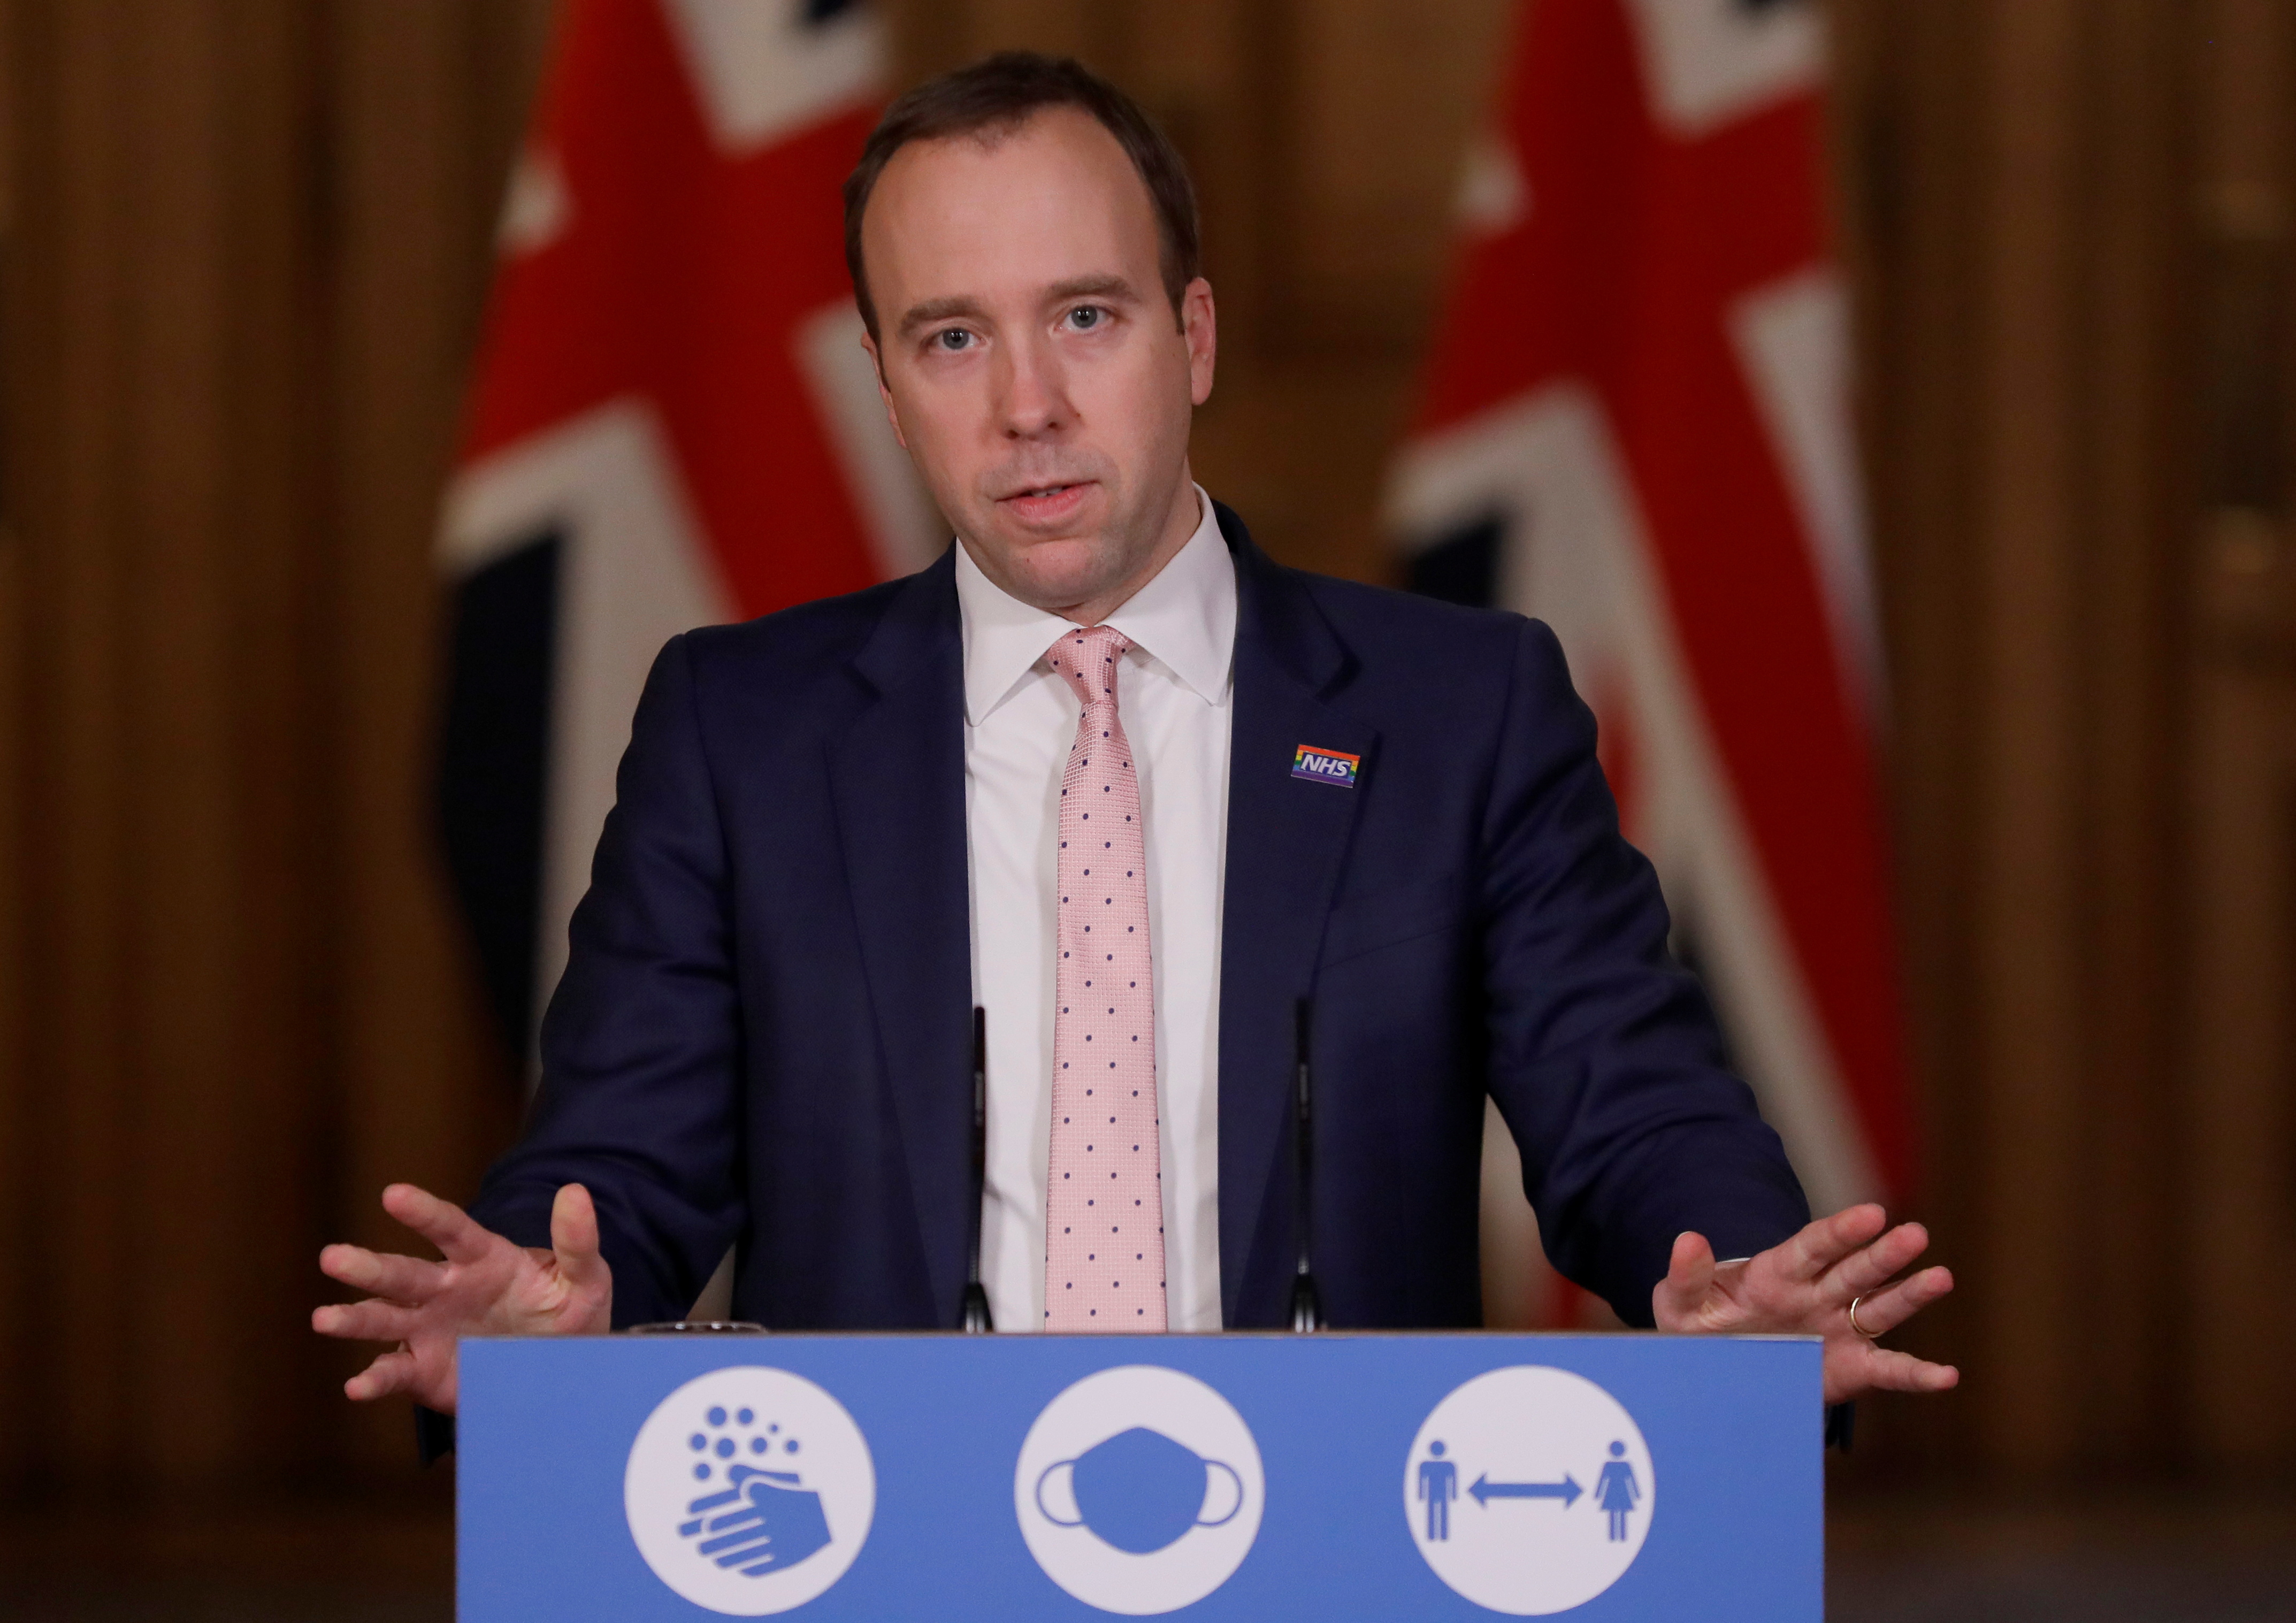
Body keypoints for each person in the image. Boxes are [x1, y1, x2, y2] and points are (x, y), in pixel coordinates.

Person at [313, 52, 1956, 1426]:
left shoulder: (1457, 711)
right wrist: (550, 1310)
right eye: (951, 338)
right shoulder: (740, 733)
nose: (1025, 403)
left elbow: (1628, 1105)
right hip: (892, 1553)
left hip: (1332, 1546)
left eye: (1085, 317)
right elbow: (619, 1163)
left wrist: (1723, 1269)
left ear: (1195, 337)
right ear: (884, 386)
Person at [1418, 1442, 1458, 1541]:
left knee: (1442, 1513)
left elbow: (1452, 1482)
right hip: (1434, 1493)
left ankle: (1442, 1535)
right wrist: (1422, 1494)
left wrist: (1453, 1494)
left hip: (1441, 1493)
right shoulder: (1426, 1466)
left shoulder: (1449, 1466)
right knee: (1433, 1513)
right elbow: (1423, 1482)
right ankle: (1433, 1535)